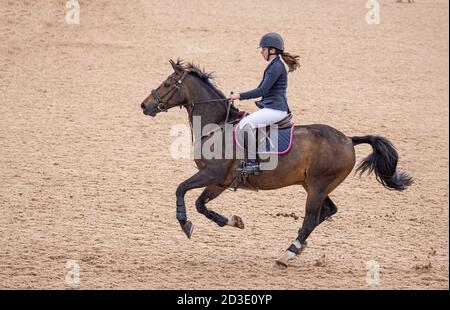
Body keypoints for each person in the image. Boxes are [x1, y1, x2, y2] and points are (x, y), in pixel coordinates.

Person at [230, 32, 300, 174]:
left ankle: (252, 163)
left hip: (275, 109)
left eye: (263, 49)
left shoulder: (276, 67)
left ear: (272, 50)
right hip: (273, 107)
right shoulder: (274, 65)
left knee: (245, 124)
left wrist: (239, 96)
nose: (262, 52)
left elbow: (262, 90)